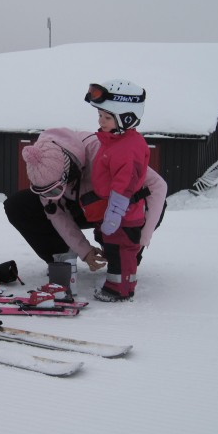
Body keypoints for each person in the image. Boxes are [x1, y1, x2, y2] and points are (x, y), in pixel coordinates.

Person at [4, 122, 166, 299]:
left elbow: (157, 185)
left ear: (70, 170)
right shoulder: (43, 168)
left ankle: (121, 253)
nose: (53, 196)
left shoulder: (102, 150)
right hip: (80, 207)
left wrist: (143, 236)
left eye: (56, 189)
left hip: (113, 208)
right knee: (17, 204)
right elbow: (57, 213)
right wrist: (84, 250)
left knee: (143, 204)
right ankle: (63, 261)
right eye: (49, 192)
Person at [87, 79, 152, 302]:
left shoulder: (128, 147)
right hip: (114, 210)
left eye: (107, 118)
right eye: (100, 116)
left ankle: (121, 290)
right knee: (113, 249)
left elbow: (124, 185)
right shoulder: (114, 141)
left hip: (125, 213)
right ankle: (116, 284)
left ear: (126, 117)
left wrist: (114, 214)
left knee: (123, 252)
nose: (101, 121)